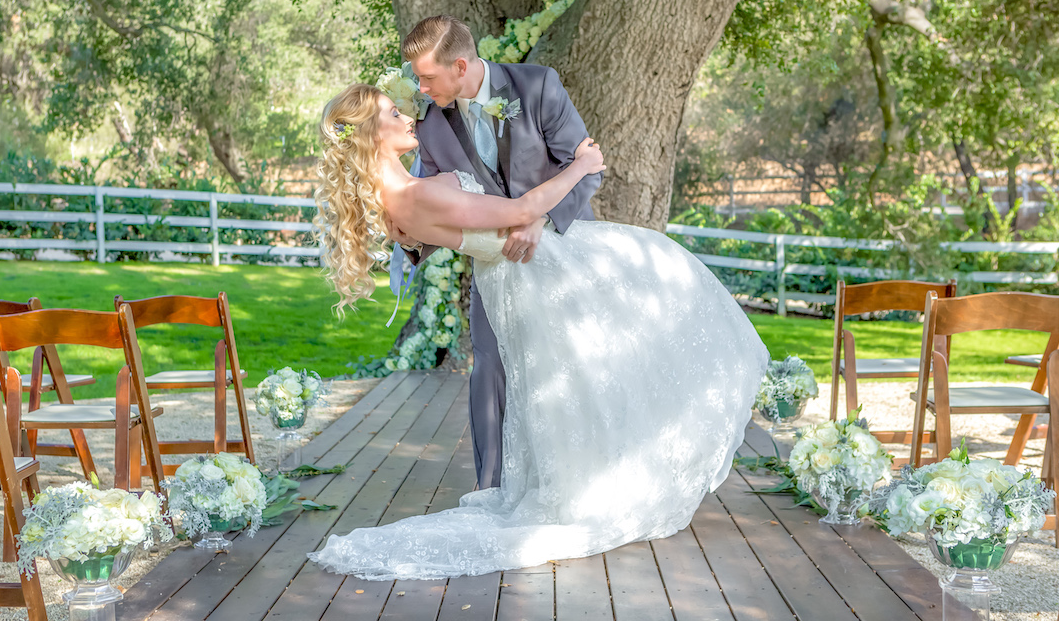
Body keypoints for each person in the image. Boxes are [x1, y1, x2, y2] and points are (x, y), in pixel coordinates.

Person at [308, 82, 770, 580]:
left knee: (592, 378)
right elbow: (520, 213)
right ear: (371, 135)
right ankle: (584, 494)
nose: (406, 116)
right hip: (539, 275)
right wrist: (581, 167)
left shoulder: (408, 189)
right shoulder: (412, 196)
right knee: (592, 376)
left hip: (528, 275)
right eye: (392, 112)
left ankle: (598, 481)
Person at [395, 14, 602, 491]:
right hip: (496, 266)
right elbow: (433, 197)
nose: (420, 88)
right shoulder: (429, 124)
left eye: (427, 77)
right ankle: (489, 487)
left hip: (565, 255)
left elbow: (587, 168)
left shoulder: (538, 87)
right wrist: (410, 238)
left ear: (461, 66)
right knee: (489, 364)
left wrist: (540, 221)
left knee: (571, 364)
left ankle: (575, 480)